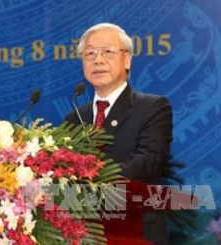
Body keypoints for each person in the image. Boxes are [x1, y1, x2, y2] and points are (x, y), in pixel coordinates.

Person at [65, 23, 173, 245]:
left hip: (136, 230)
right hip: (82, 234)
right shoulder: (74, 118)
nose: (98, 60)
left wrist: (91, 178)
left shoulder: (153, 107)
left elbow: (148, 162)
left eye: (107, 52)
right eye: (90, 54)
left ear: (127, 59)